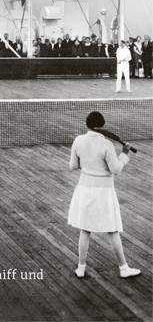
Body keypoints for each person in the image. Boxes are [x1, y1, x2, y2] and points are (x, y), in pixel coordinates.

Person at [68, 111, 140, 279]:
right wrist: (124, 155)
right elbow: (116, 169)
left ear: (87, 124)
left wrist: (87, 163)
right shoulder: (107, 145)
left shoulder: (78, 141)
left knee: (85, 229)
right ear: (102, 125)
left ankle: (81, 268)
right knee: (113, 230)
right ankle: (124, 268)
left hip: (84, 189)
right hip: (104, 192)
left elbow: (73, 166)